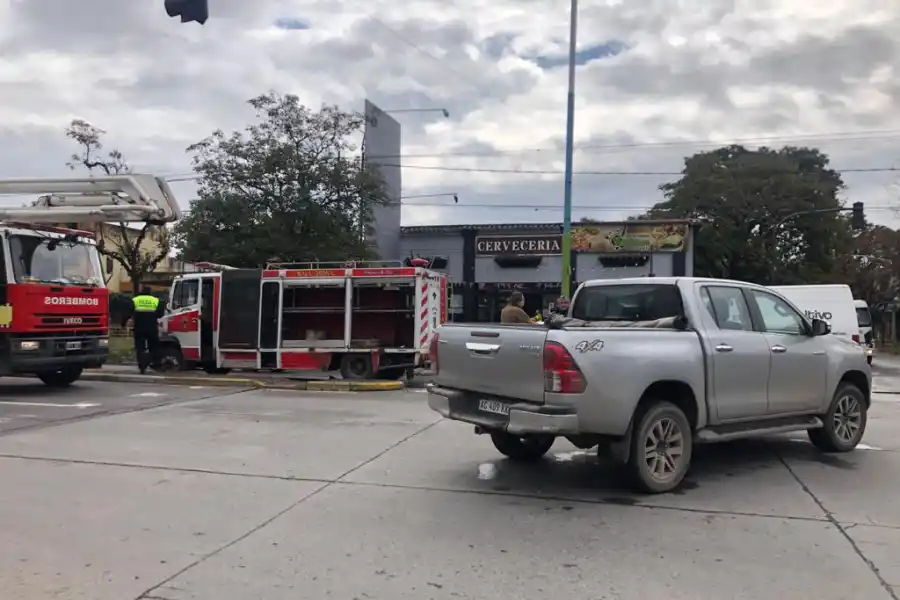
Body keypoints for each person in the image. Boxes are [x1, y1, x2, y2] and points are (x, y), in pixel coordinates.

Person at [123, 286, 165, 374]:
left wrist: (123, 323)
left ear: (141, 291)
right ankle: (155, 363)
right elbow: (160, 314)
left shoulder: (135, 300)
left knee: (140, 348)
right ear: (150, 292)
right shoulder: (155, 300)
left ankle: (142, 367)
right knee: (154, 347)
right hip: (152, 328)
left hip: (139, 328)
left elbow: (127, 313)